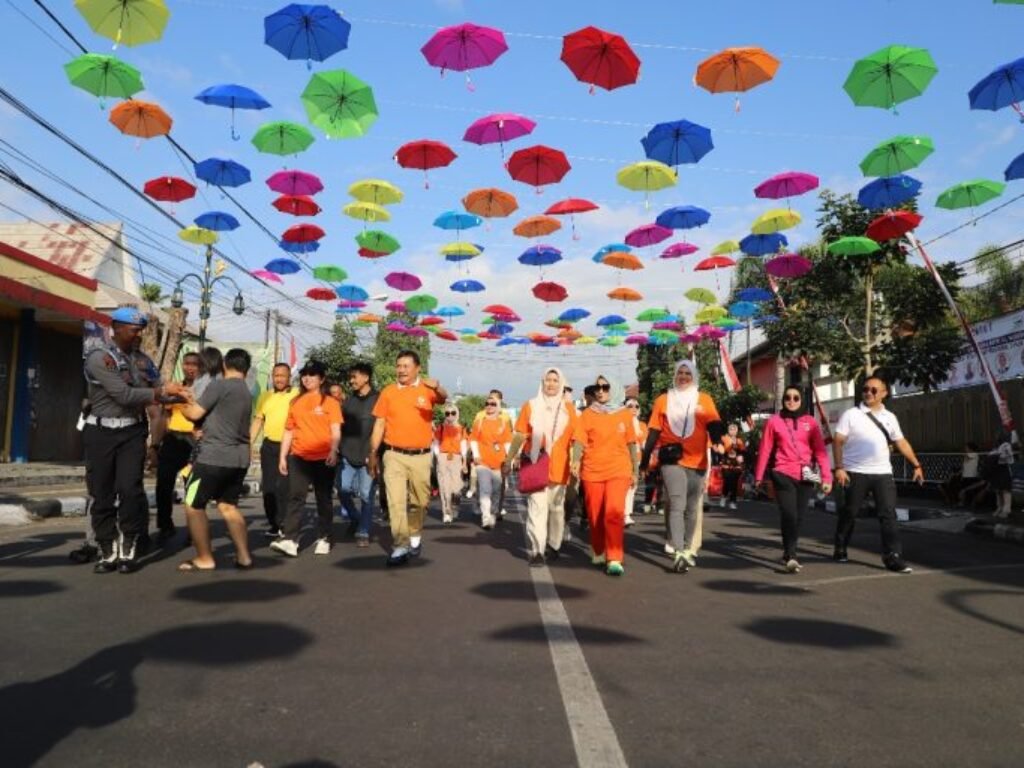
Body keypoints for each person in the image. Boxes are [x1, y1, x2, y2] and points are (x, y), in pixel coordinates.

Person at [83, 307, 183, 574]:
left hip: (131, 432)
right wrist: (161, 391)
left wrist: (182, 396)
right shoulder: (100, 358)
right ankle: (107, 548)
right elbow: (124, 395)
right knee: (102, 494)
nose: (139, 333)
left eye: (141, 329)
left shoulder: (143, 362)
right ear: (116, 327)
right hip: (101, 433)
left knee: (130, 489)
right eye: (134, 329)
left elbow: (157, 394)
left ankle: (129, 543)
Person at [832, 375, 923, 574]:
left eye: (874, 390)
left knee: (888, 514)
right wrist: (839, 467)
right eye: (865, 389)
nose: (868, 393)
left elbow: (901, 442)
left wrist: (916, 465)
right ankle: (840, 547)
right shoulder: (851, 414)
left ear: (884, 393)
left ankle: (893, 556)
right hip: (855, 472)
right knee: (850, 512)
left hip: (883, 473)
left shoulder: (890, 417)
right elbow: (838, 441)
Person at [641, 360, 724, 574]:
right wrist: (645, 458)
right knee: (677, 503)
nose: (683, 376)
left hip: (697, 461)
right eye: (680, 372)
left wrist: (717, 442)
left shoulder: (704, 399)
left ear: (694, 376)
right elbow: (653, 432)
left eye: (688, 373)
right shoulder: (663, 400)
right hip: (672, 460)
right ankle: (678, 551)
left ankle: (688, 548)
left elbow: (714, 423)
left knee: (691, 507)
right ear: (675, 375)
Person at [176, 348, 254, 571]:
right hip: (238, 459)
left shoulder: (219, 386)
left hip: (213, 457)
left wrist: (181, 401)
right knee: (228, 506)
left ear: (225, 365)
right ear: (246, 370)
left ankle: (204, 558)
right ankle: (244, 556)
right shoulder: (245, 391)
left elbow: (194, 414)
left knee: (193, 504)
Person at [369, 350, 447, 566]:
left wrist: (437, 386)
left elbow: (443, 398)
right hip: (393, 454)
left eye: (406, 366)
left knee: (420, 502)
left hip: (421, 456)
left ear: (417, 368)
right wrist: (373, 452)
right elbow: (379, 423)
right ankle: (400, 545)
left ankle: (414, 534)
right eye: (399, 366)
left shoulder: (427, 389)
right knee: (395, 502)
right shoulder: (388, 392)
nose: (401, 370)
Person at [503, 368, 579, 566]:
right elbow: (519, 434)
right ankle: (537, 550)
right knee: (537, 509)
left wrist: (576, 460)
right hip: (536, 466)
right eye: (548, 380)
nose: (551, 384)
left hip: (559, 468)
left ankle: (554, 545)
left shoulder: (569, 409)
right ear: (542, 382)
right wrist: (509, 459)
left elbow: (577, 438)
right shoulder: (530, 406)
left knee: (556, 510)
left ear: (561, 384)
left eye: (555, 380)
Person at [754, 386, 833, 572]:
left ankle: (788, 551)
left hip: (806, 475)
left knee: (799, 517)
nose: (791, 401)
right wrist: (758, 477)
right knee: (789, 514)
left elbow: (820, 452)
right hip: (782, 473)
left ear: (802, 400)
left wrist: (826, 477)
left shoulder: (810, 422)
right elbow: (765, 450)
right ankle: (791, 555)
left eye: (796, 397)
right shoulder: (774, 421)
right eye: (787, 397)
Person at [271, 361, 343, 558]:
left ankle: (325, 537)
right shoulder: (295, 402)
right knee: (295, 497)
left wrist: (333, 450)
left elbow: (335, 429)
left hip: (323, 458)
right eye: (305, 374)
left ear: (322, 379)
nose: (307, 378)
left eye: (312, 375)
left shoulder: (330, 402)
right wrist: (282, 457)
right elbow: (289, 430)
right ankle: (290, 540)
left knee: (323, 499)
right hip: (299, 457)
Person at [571, 377, 639, 576]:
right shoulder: (588, 414)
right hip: (592, 471)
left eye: (605, 387)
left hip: (619, 470)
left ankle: (615, 558)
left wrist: (635, 470)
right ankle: (599, 549)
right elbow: (579, 440)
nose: (600, 391)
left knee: (613, 513)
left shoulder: (624, 414)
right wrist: (576, 460)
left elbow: (632, 444)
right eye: (597, 388)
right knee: (595, 515)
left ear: (615, 388)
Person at [151, 351, 201, 542]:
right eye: (187, 363)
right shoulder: (175, 388)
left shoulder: (203, 390)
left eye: (194, 364)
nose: (190, 367)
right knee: (163, 483)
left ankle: (194, 529)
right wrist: (156, 444)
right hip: (173, 439)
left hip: (194, 439)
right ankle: (165, 525)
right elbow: (165, 416)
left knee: (192, 487)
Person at [251, 363, 298, 538]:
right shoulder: (265, 396)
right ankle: (274, 523)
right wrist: (249, 444)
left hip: (290, 447)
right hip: (269, 447)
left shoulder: (297, 395)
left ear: (289, 377)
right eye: (276, 375)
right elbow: (258, 421)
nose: (279, 379)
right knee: (269, 488)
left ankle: (284, 522)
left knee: (284, 487)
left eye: (282, 375)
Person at [337, 362, 379, 546]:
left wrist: (376, 454)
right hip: (347, 454)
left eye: (354, 377)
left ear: (366, 377)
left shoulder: (379, 400)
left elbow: (383, 429)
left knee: (366, 494)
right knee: (343, 489)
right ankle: (355, 517)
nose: (351, 380)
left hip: (369, 456)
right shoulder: (349, 401)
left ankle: (363, 531)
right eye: (351, 377)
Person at [470, 395, 511, 529]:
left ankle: (493, 511)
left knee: (497, 490)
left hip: (499, 463)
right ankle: (486, 517)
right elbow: (473, 440)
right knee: (485, 489)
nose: (489, 406)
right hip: (483, 462)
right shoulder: (479, 422)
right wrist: (476, 455)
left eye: (493, 404)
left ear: (498, 406)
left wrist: (509, 460)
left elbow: (507, 443)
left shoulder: (503, 423)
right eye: (487, 403)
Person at [433, 403, 467, 525]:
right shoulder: (440, 428)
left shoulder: (461, 429)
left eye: (453, 413)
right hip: (443, 457)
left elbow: (463, 446)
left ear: (457, 414)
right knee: (444, 487)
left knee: (456, 488)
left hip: (457, 458)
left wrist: (464, 462)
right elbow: (436, 443)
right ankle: (446, 513)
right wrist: (438, 457)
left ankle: (455, 505)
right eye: (447, 413)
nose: (450, 416)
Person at [622, 397, 647, 527]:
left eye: (636, 406)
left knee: (632, 487)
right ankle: (621, 513)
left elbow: (645, 445)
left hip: (636, 460)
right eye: (630, 406)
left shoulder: (642, 426)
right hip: (622, 460)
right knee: (623, 487)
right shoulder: (620, 423)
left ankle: (626, 514)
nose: (633, 409)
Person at [990, 430, 1016, 518]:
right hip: (996, 469)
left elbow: (1008, 456)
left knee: (1005, 490)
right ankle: (999, 507)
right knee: (998, 490)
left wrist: (998, 455)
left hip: (1004, 468)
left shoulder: (1006, 445)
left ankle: (1006, 510)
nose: (996, 437)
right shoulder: (996, 446)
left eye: (998, 435)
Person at [955, 442, 984, 508]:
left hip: (972, 475)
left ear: (970, 448)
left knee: (970, 490)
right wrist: (961, 473)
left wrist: (965, 454)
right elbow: (965, 466)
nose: (965, 449)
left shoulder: (975, 454)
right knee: (962, 489)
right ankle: (962, 502)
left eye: (967, 447)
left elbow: (967, 457)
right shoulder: (968, 455)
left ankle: (971, 503)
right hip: (966, 475)